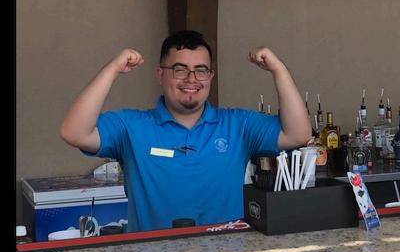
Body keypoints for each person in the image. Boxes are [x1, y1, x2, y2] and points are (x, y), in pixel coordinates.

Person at [60, 30, 311, 232]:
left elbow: (298, 134)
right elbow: (74, 133)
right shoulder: (131, 126)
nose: (192, 79)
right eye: (180, 69)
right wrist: (112, 69)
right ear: (160, 75)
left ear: (210, 76)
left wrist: (278, 70)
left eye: (201, 70)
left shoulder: (238, 125)